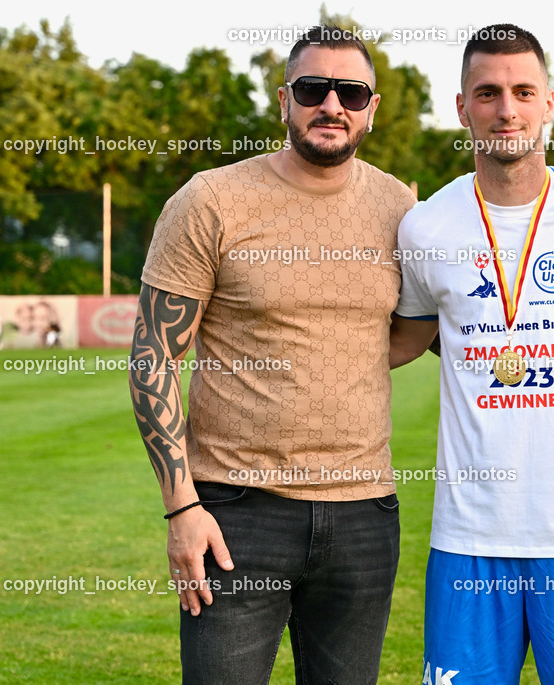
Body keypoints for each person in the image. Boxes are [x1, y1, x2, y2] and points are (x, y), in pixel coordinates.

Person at [128, 26, 415, 684]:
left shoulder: (402, 208)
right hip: (235, 513)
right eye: (314, 89)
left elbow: (409, 334)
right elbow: (152, 356)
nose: (332, 105)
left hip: (364, 518)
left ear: (373, 106)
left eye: (351, 91)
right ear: (284, 99)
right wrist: (181, 507)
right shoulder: (211, 200)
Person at [389, 24, 554, 685]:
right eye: (488, 92)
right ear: (462, 108)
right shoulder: (425, 226)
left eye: (522, 91)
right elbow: (417, 339)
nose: (506, 108)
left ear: (550, 104)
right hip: (470, 538)